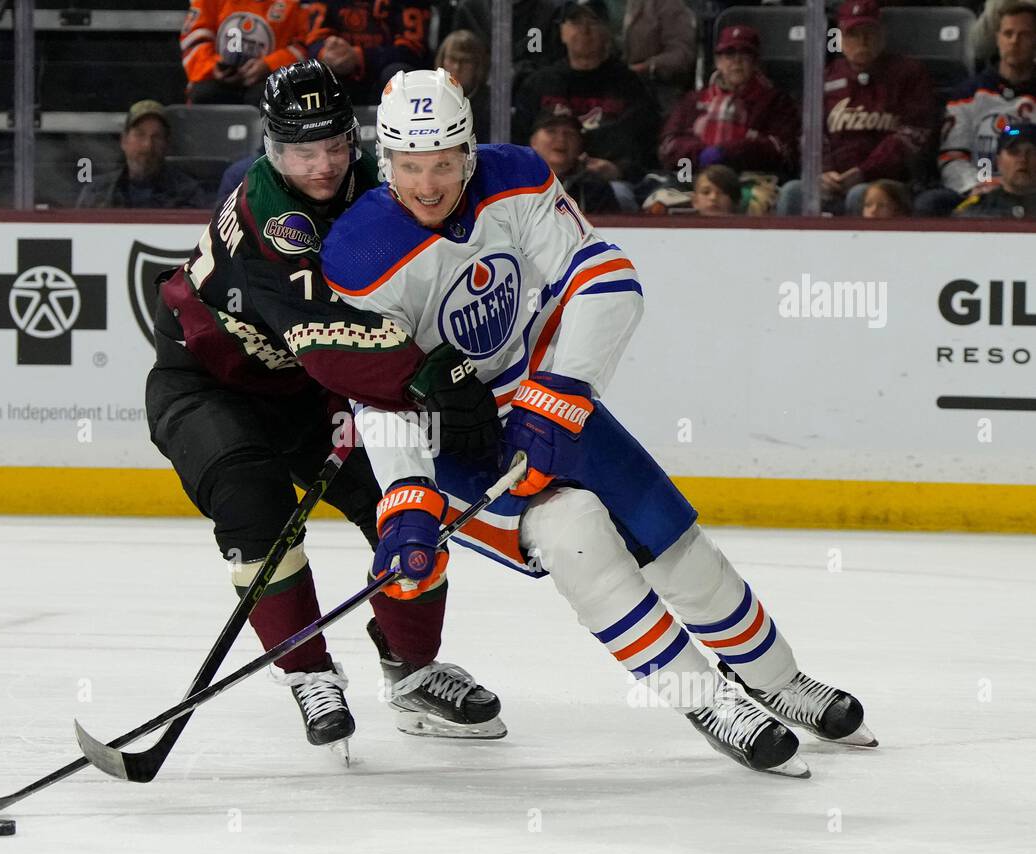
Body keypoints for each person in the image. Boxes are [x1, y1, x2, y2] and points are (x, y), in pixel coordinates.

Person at [322, 68, 877, 777]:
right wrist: (404, 506)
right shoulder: (357, 252)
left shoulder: (516, 177)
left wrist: (555, 396)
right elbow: (378, 394)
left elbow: (603, 278)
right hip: (450, 436)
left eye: (441, 165)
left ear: (468, 152)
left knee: (671, 537)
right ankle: (704, 698)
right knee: (574, 533)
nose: (427, 185)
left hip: (542, 392)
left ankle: (777, 679)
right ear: (384, 162)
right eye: (408, 167)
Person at [147, 60, 507, 757]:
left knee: (405, 509)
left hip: (313, 391)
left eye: (333, 147)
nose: (319, 167)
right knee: (256, 510)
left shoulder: (383, 180)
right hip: (209, 385)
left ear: (356, 139)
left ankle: (410, 666)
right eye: (298, 152)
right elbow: (327, 344)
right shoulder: (270, 215)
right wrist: (436, 382)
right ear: (271, 151)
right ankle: (308, 672)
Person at [776, 0, 934, 216]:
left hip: (889, 181)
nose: (863, 41)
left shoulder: (909, 74)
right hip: (832, 179)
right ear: (839, 39)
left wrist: (864, 171)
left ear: (882, 35)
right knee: (792, 192)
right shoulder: (825, 77)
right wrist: (823, 171)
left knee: (861, 195)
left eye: (869, 32)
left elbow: (913, 135)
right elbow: (810, 134)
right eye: (853, 34)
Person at [513, 0, 659, 211]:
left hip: (610, 182)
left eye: (592, 21)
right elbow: (518, 138)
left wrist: (618, 170)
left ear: (607, 30)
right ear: (562, 31)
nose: (584, 29)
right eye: (575, 21)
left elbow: (645, 146)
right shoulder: (539, 83)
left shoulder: (630, 85)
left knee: (620, 195)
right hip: (542, 180)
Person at [920, 1, 1036, 216]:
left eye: (1024, 35)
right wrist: (981, 184)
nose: (1014, 41)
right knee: (931, 203)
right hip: (979, 192)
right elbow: (952, 159)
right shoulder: (968, 95)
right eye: (1008, 34)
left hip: (1032, 191)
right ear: (997, 38)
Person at [659, 26, 799, 180]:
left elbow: (783, 152)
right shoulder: (693, 100)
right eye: (729, 54)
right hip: (691, 177)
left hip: (751, 181)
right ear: (718, 62)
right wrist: (701, 153)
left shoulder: (776, 101)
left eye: (745, 54)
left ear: (755, 62)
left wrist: (727, 153)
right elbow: (668, 146)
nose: (737, 61)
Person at [76, 100, 210, 209]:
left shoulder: (187, 194)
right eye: (140, 135)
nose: (148, 145)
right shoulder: (97, 193)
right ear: (124, 141)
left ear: (167, 144)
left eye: (156, 137)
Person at [180, 0, 310, 105]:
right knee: (203, 93)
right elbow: (194, 39)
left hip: (271, 82)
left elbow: (306, 45)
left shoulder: (298, 4)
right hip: (216, 81)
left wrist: (269, 65)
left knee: (268, 97)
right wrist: (212, 67)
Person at [305, 0, 432, 105]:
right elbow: (314, 40)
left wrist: (358, 57)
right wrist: (327, 53)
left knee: (398, 74)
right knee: (313, 73)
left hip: (384, 73)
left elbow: (413, 50)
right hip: (340, 73)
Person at [528, 109, 620, 213]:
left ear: (580, 145)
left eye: (569, 133)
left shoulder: (595, 189)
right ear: (533, 141)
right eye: (551, 131)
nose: (561, 139)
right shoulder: (514, 184)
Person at [620, 0, 696, 112]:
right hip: (609, 84)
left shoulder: (668, 4)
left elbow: (682, 54)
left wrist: (647, 66)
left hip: (655, 91)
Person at [953, 120, 1036, 217]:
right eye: (1014, 152)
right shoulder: (976, 209)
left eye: (1032, 152)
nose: (1023, 159)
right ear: (998, 161)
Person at [435, 29, 490, 142]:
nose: (457, 67)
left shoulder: (491, 105)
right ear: (442, 61)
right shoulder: (430, 99)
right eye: (452, 59)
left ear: (478, 65)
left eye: (465, 61)